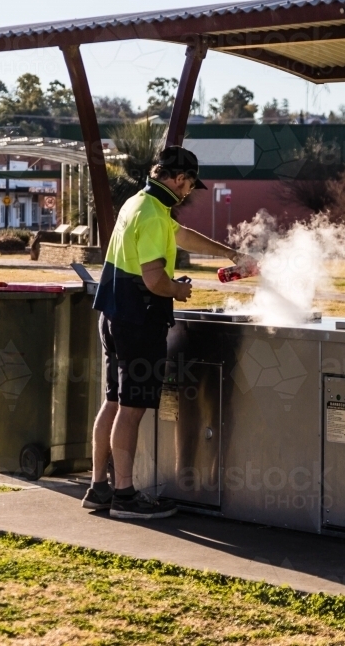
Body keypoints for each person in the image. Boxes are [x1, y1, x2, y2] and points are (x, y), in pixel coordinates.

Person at [82, 145, 245, 518]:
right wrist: (180, 289)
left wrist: (231, 254)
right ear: (178, 178)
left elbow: (182, 235)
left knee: (112, 401)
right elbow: (155, 281)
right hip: (139, 322)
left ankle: (99, 488)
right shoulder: (154, 216)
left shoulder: (138, 203)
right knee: (132, 408)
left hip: (112, 315)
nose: (188, 191)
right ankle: (125, 496)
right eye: (189, 184)